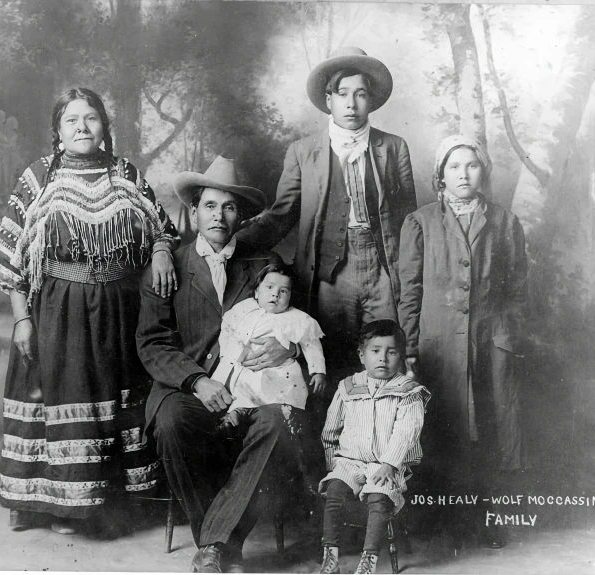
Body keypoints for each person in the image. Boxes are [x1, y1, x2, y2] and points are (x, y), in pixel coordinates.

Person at [0, 87, 179, 536]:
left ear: (105, 128)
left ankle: (108, 502)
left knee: (115, 397)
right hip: (58, 310)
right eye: (72, 120)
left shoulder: (125, 173)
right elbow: (13, 258)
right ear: (58, 131)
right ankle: (47, 504)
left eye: (91, 118)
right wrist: (22, 319)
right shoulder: (39, 177)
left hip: (117, 309)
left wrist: (163, 250)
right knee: (60, 397)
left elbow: (161, 229)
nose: (82, 127)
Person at [136, 156, 304, 573]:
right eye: (210, 206)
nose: (219, 215)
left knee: (277, 421)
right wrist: (196, 382)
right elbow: (152, 342)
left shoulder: (264, 268)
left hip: (252, 389)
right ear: (194, 211)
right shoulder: (169, 265)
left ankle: (213, 544)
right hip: (187, 389)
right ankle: (218, 542)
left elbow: (299, 326)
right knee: (173, 422)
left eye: (229, 207)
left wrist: (292, 352)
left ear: (242, 216)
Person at [236, 46, 417, 384]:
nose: (351, 103)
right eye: (343, 93)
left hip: (382, 267)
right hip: (330, 272)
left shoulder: (393, 147)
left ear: (372, 100)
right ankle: (334, 435)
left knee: (385, 356)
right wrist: (234, 242)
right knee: (331, 359)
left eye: (360, 94)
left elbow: (410, 221)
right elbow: (281, 215)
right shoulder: (304, 152)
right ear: (328, 99)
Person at [397, 135, 527, 548]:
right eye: (455, 167)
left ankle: (484, 520)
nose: (464, 174)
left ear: (482, 172)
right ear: (441, 174)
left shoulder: (504, 221)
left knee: (486, 427)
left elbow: (518, 287)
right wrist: (410, 349)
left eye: (472, 166)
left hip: (489, 343)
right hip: (438, 346)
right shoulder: (420, 221)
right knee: (440, 425)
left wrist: (506, 333)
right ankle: (438, 519)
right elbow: (410, 290)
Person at [318, 320, 429, 575]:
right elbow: (330, 430)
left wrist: (390, 463)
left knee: (380, 496)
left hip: (387, 464)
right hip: (350, 461)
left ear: (400, 356)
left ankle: (368, 559)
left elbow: (406, 432)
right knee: (335, 489)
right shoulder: (348, 387)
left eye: (391, 352)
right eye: (375, 351)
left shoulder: (408, 392)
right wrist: (333, 464)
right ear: (362, 355)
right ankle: (330, 556)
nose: (383, 359)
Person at [212, 262, 327, 436]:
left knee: (280, 395)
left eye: (283, 291)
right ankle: (236, 414)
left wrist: (318, 371)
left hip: (280, 371)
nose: (275, 294)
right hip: (248, 367)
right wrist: (227, 354)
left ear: (290, 296)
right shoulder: (245, 309)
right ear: (257, 292)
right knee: (242, 388)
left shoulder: (297, 318)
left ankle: (283, 416)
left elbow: (311, 344)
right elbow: (227, 328)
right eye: (270, 287)